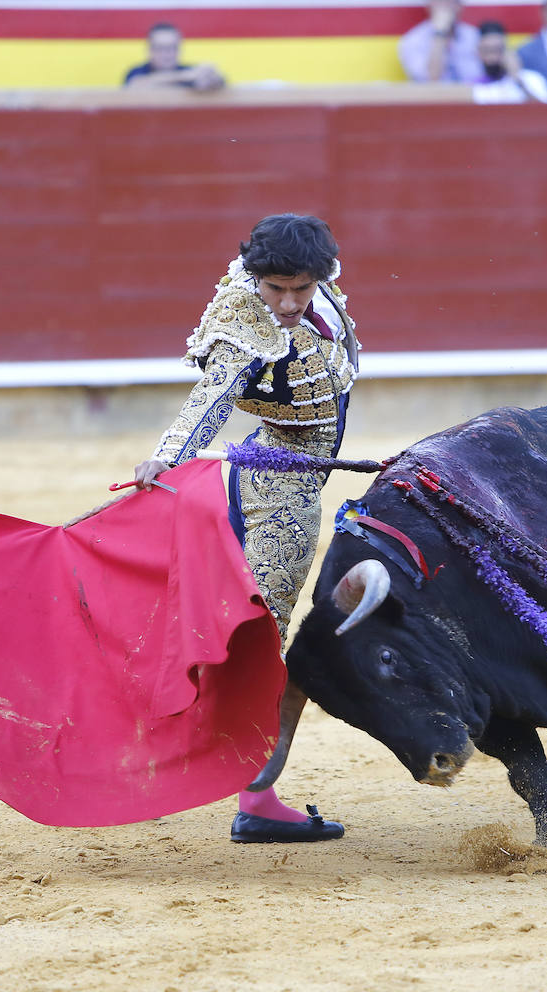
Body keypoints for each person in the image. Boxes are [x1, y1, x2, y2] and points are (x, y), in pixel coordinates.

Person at [134, 215, 357, 844]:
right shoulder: (243, 325)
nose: (287, 305)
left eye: (301, 290)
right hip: (281, 491)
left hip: (286, 466)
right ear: (254, 278)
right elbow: (212, 395)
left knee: (246, 632)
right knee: (259, 640)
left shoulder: (317, 291)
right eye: (275, 289)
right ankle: (252, 798)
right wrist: (170, 456)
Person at [122, 22, 226, 91]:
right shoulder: (137, 72)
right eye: (161, 48)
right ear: (149, 50)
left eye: (172, 47)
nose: (166, 54)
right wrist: (183, 76)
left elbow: (219, 84)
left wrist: (212, 77)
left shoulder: (190, 72)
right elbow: (134, 86)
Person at [399, 0, 484, 82]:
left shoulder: (474, 36)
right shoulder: (413, 40)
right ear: (429, 5)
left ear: (460, 6)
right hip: (432, 96)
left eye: (451, 1)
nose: (446, 6)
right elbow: (432, 79)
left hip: (470, 94)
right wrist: (440, 33)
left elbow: (487, 75)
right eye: (440, 1)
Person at [472, 21, 547, 102]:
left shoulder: (531, 79)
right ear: (478, 53)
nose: (493, 57)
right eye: (487, 51)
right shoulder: (474, 85)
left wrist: (518, 81)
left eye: (498, 50)